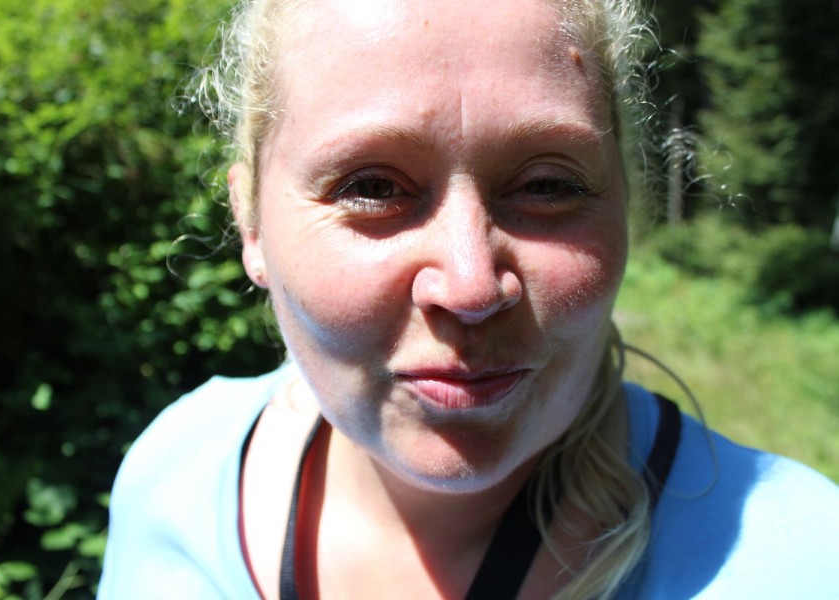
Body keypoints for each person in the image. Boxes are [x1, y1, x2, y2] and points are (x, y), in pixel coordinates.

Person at [98, 0, 839, 598]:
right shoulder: (173, 476)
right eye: (372, 187)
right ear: (251, 224)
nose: (472, 286)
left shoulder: (802, 565)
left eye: (547, 185)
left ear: (623, 205)